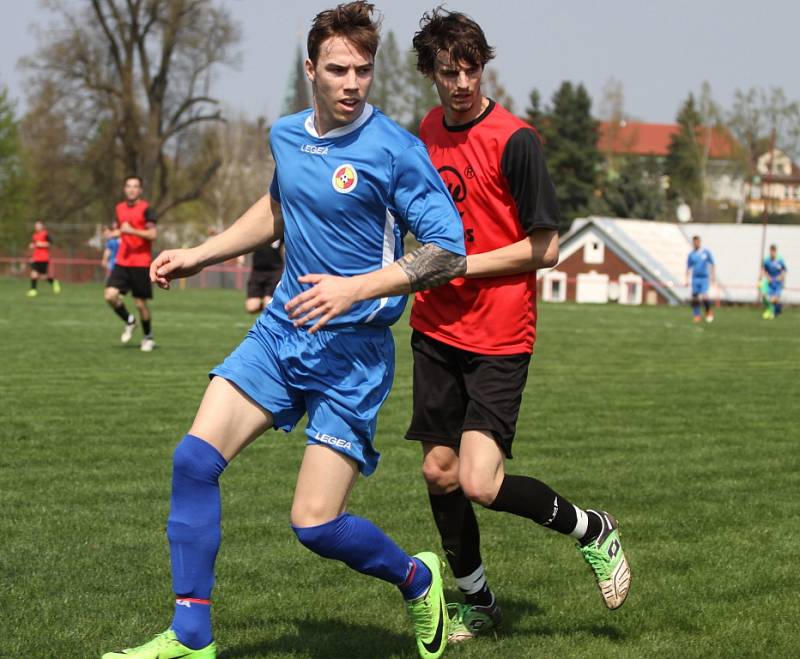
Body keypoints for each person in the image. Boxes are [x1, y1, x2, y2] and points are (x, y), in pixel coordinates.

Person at [101, 3, 465, 659]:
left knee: (315, 524)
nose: (352, 83)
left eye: (362, 70)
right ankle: (191, 639)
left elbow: (448, 250)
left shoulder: (394, 149)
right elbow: (277, 207)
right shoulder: (286, 135)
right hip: (280, 335)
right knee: (193, 461)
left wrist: (354, 287)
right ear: (310, 70)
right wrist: (202, 253)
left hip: (353, 357)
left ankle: (417, 577)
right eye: (337, 70)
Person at [406, 8, 631, 643]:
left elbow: (547, 247)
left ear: (484, 67)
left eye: (471, 69)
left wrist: (461, 264)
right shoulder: (425, 131)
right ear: (430, 73)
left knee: (480, 481)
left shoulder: (515, 139)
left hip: (500, 333)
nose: (461, 83)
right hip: (436, 327)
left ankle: (593, 529)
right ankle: (479, 604)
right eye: (448, 71)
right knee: (438, 473)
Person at [104, 176, 158, 352]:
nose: (132, 189)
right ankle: (129, 321)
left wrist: (131, 231)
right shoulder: (119, 208)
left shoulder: (147, 209)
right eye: (129, 186)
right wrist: (115, 233)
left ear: (140, 190)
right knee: (110, 296)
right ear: (124, 188)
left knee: (140, 304)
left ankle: (148, 337)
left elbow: (152, 235)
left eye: (135, 186)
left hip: (141, 263)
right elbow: (122, 230)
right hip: (122, 260)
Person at [245, 239, 284, 313]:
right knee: (251, 308)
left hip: (275, 271)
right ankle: (264, 303)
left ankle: (269, 304)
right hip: (258, 270)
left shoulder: (281, 231)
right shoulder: (257, 230)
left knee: (268, 304)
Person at [685, 235, 716, 323]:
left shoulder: (706, 252)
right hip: (695, 278)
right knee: (695, 297)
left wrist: (713, 277)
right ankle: (697, 315)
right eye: (694, 242)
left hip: (704, 278)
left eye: (697, 242)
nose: (696, 243)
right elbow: (688, 267)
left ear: (700, 242)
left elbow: (712, 264)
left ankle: (708, 311)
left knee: (704, 296)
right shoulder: (691, 255)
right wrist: (686, 279)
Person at [26, 221, 61, 297]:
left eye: (38, 226)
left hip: (44, 258)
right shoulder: (34, 235)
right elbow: (35, 246)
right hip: (36, 258)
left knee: (43, 276)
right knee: (33, 274)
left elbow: (50, 243)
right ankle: (33, 290)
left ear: (42, 226)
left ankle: (54, 282)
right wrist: (32, 248)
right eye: (36, 226)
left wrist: (41, 244)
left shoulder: (45, 234)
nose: (37, 227)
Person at [761, 244, 788, 320]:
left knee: (774, 299)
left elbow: (784, 270)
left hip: (778, 283)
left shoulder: (780, 260)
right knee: (767, 298)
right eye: (771, 251)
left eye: (773, 251)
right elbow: (764, 270)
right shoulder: (767, 260)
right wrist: (768, 277)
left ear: (776, 251)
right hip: (770, 282)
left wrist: (781, 277)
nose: (772, 253)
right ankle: (773, 311)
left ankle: (772, 312)